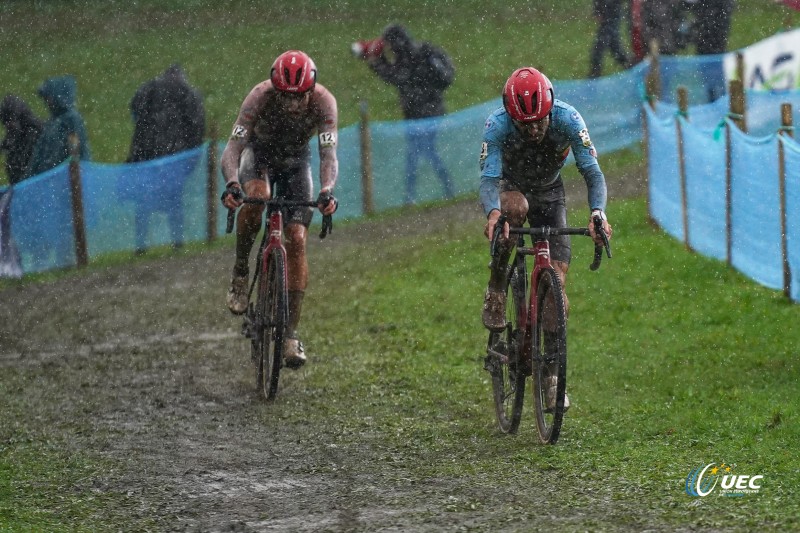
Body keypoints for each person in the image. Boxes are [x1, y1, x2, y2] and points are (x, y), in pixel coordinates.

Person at [479, 67, 613, 411]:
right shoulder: (497, 126)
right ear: (512, 117)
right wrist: (494, 214)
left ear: (550, 111)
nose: (534, 129)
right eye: (525, 125)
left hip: (552, 194)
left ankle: (552, 378)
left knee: (558, 296)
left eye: (539, 121)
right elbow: (490, 178)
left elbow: (593, 172)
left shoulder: (569, 119)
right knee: (515, 207)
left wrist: (598, 212)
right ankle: (496, 287)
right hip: (514, 188)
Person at [220, 50, 339, 369]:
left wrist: (327, 191)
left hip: (297, 163)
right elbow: (232, 149)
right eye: (285, 97)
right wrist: (232, 183)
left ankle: (289, 334)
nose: (291, 105)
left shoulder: (325, 102)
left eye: (299, 97)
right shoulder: (259, 97)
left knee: (297, 239)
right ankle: (242, 269)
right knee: (257, 196)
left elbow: (328, 155)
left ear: (311, 91)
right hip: (259, 157)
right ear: (275, 89)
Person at [362, 23, 455, 205]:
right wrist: (377, 60)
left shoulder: (416, 58)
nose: (389, 49)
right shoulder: (416, 56)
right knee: (424, 152)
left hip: (427, 114)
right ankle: (442, 189)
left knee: (418, 152)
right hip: (420, 115)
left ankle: (415, 195)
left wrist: (377, 60)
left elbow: (395, 76)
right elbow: (395, 75)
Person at [125, 64, 206, 254]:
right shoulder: (188, 93)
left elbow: (135, 109)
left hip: (147, 154)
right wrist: (192, 155)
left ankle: (141, 245)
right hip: (175, 156)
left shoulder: (149, 88)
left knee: (143, 201)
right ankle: (177, 243)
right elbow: (197, 125)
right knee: (174, 200)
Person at [25, 75, 91, 178]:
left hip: (66, 182)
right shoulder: (52, 122)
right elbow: (39, 156)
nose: (47, 101)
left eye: (48, 97)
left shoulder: (71, 120)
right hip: (50, 182)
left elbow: (78, 153)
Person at [0, 95, 43, 186]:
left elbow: (27, 163)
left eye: (9, 122)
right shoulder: (17, 130)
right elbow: (7, 143)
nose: (7, 126)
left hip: (28, 182)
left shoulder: (33, 132)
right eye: (6, 123)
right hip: (20, 182)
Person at [589, 0, 631, 78]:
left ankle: (594, 75)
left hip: (613, 11)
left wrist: (599, 10)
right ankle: (630, 65)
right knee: (614, 45)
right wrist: (598, 10)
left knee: (602, 45)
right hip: (609, 11)